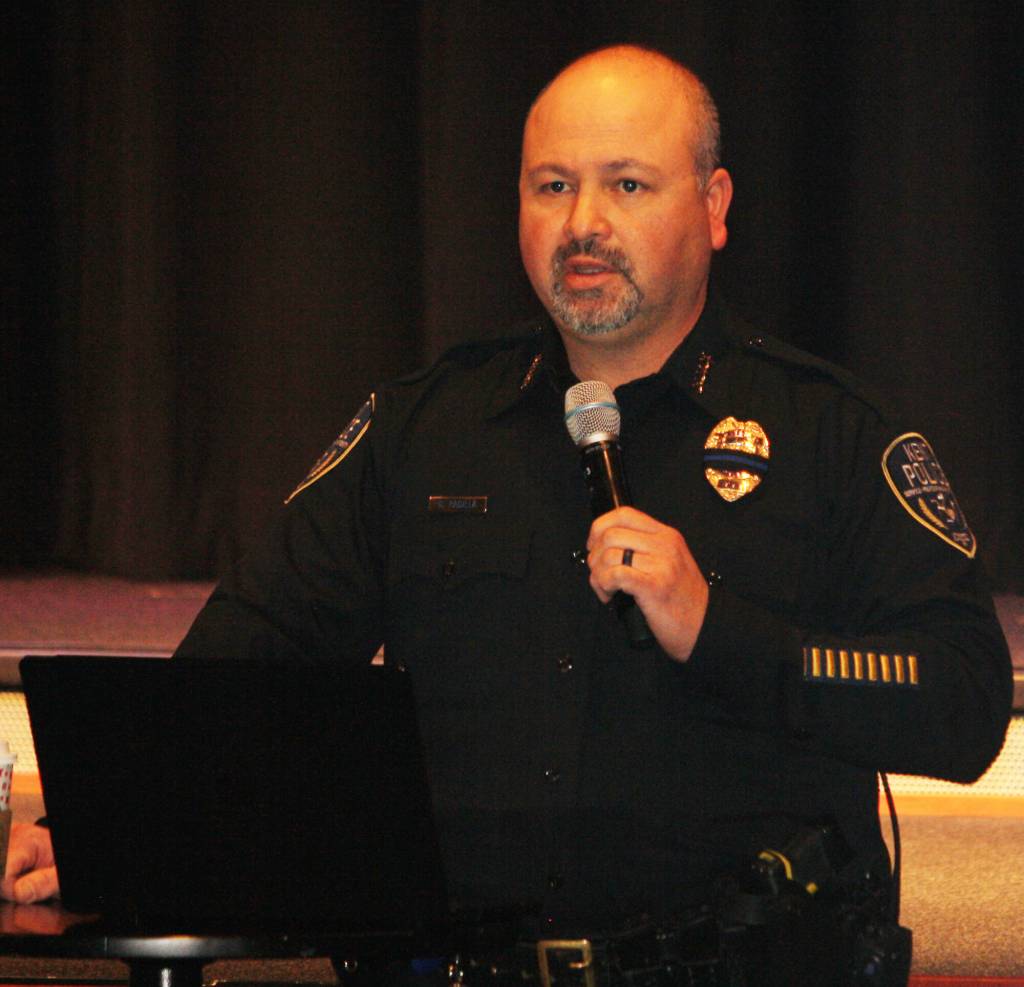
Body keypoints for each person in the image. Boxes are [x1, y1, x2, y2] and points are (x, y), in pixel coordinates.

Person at [3, 44, 1013, 985]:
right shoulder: (425, 426)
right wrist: (101, 819)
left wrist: (721, 633)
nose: (583, 223)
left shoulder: (828, 434)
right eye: (551, 186)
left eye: (626, 184)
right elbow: (251, 652)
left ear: (712, 207)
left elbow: (963, 703)